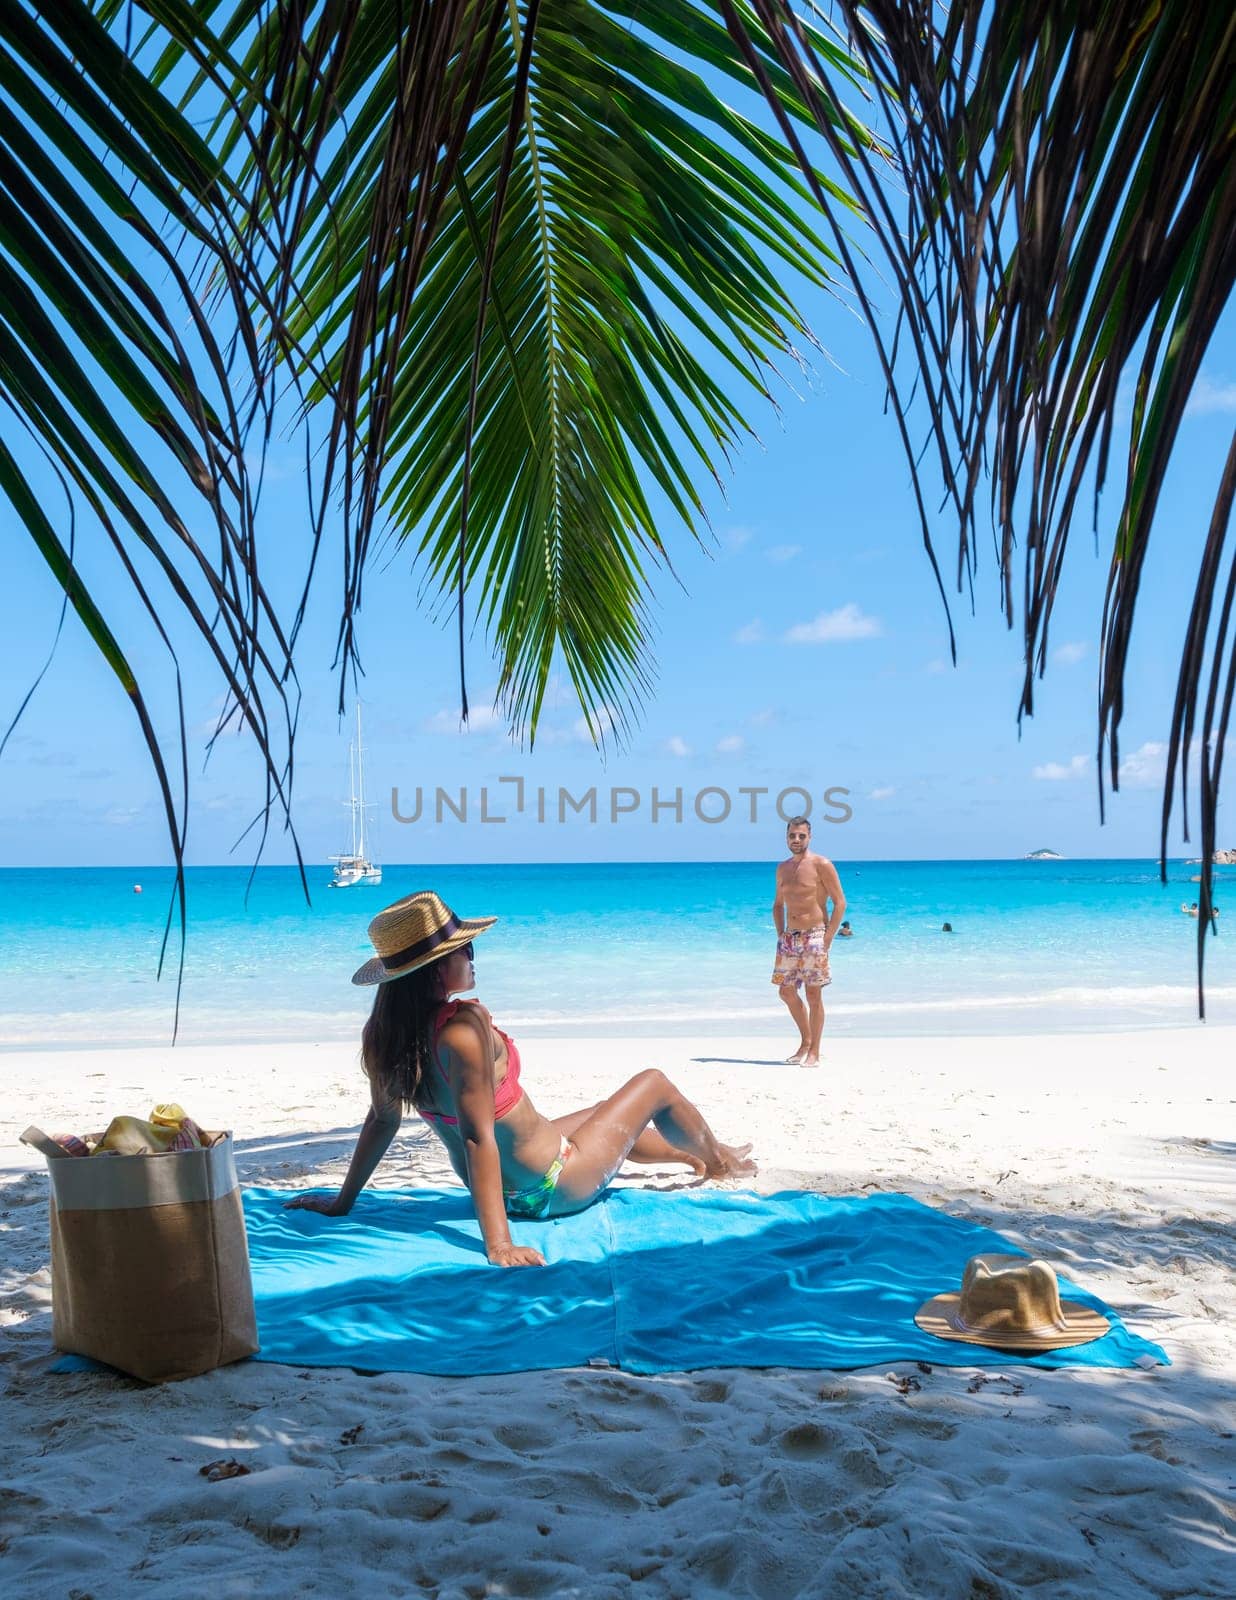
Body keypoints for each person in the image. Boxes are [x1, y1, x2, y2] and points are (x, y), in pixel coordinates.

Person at [285, 892, 755, 1267]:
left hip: (507, 1186)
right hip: (553, 1186)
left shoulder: (385, 1036)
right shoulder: (462, 1028)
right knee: (653, 1084)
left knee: (600, 1116)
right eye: (463, 949)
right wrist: (499, 1245)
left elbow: (382, 1122)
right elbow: (476, 1138)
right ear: (434, 969)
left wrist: (342, 1203)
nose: (472, 956)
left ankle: (693, 1154)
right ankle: (717, 1164)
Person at [771, 817, 846, 1068]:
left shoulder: (821, 864)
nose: (796, 840)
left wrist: (827, 939)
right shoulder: (782, 869)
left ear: (809, 837)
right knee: (786, 991)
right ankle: (805, 1040)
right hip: (790, 937)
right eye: (792, 835)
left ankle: (814, 1051)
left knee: (814, 994)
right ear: (786, 837)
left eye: (801, 836)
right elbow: (778, 904)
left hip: (814, 934)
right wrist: (781, 933)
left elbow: (840, 903)